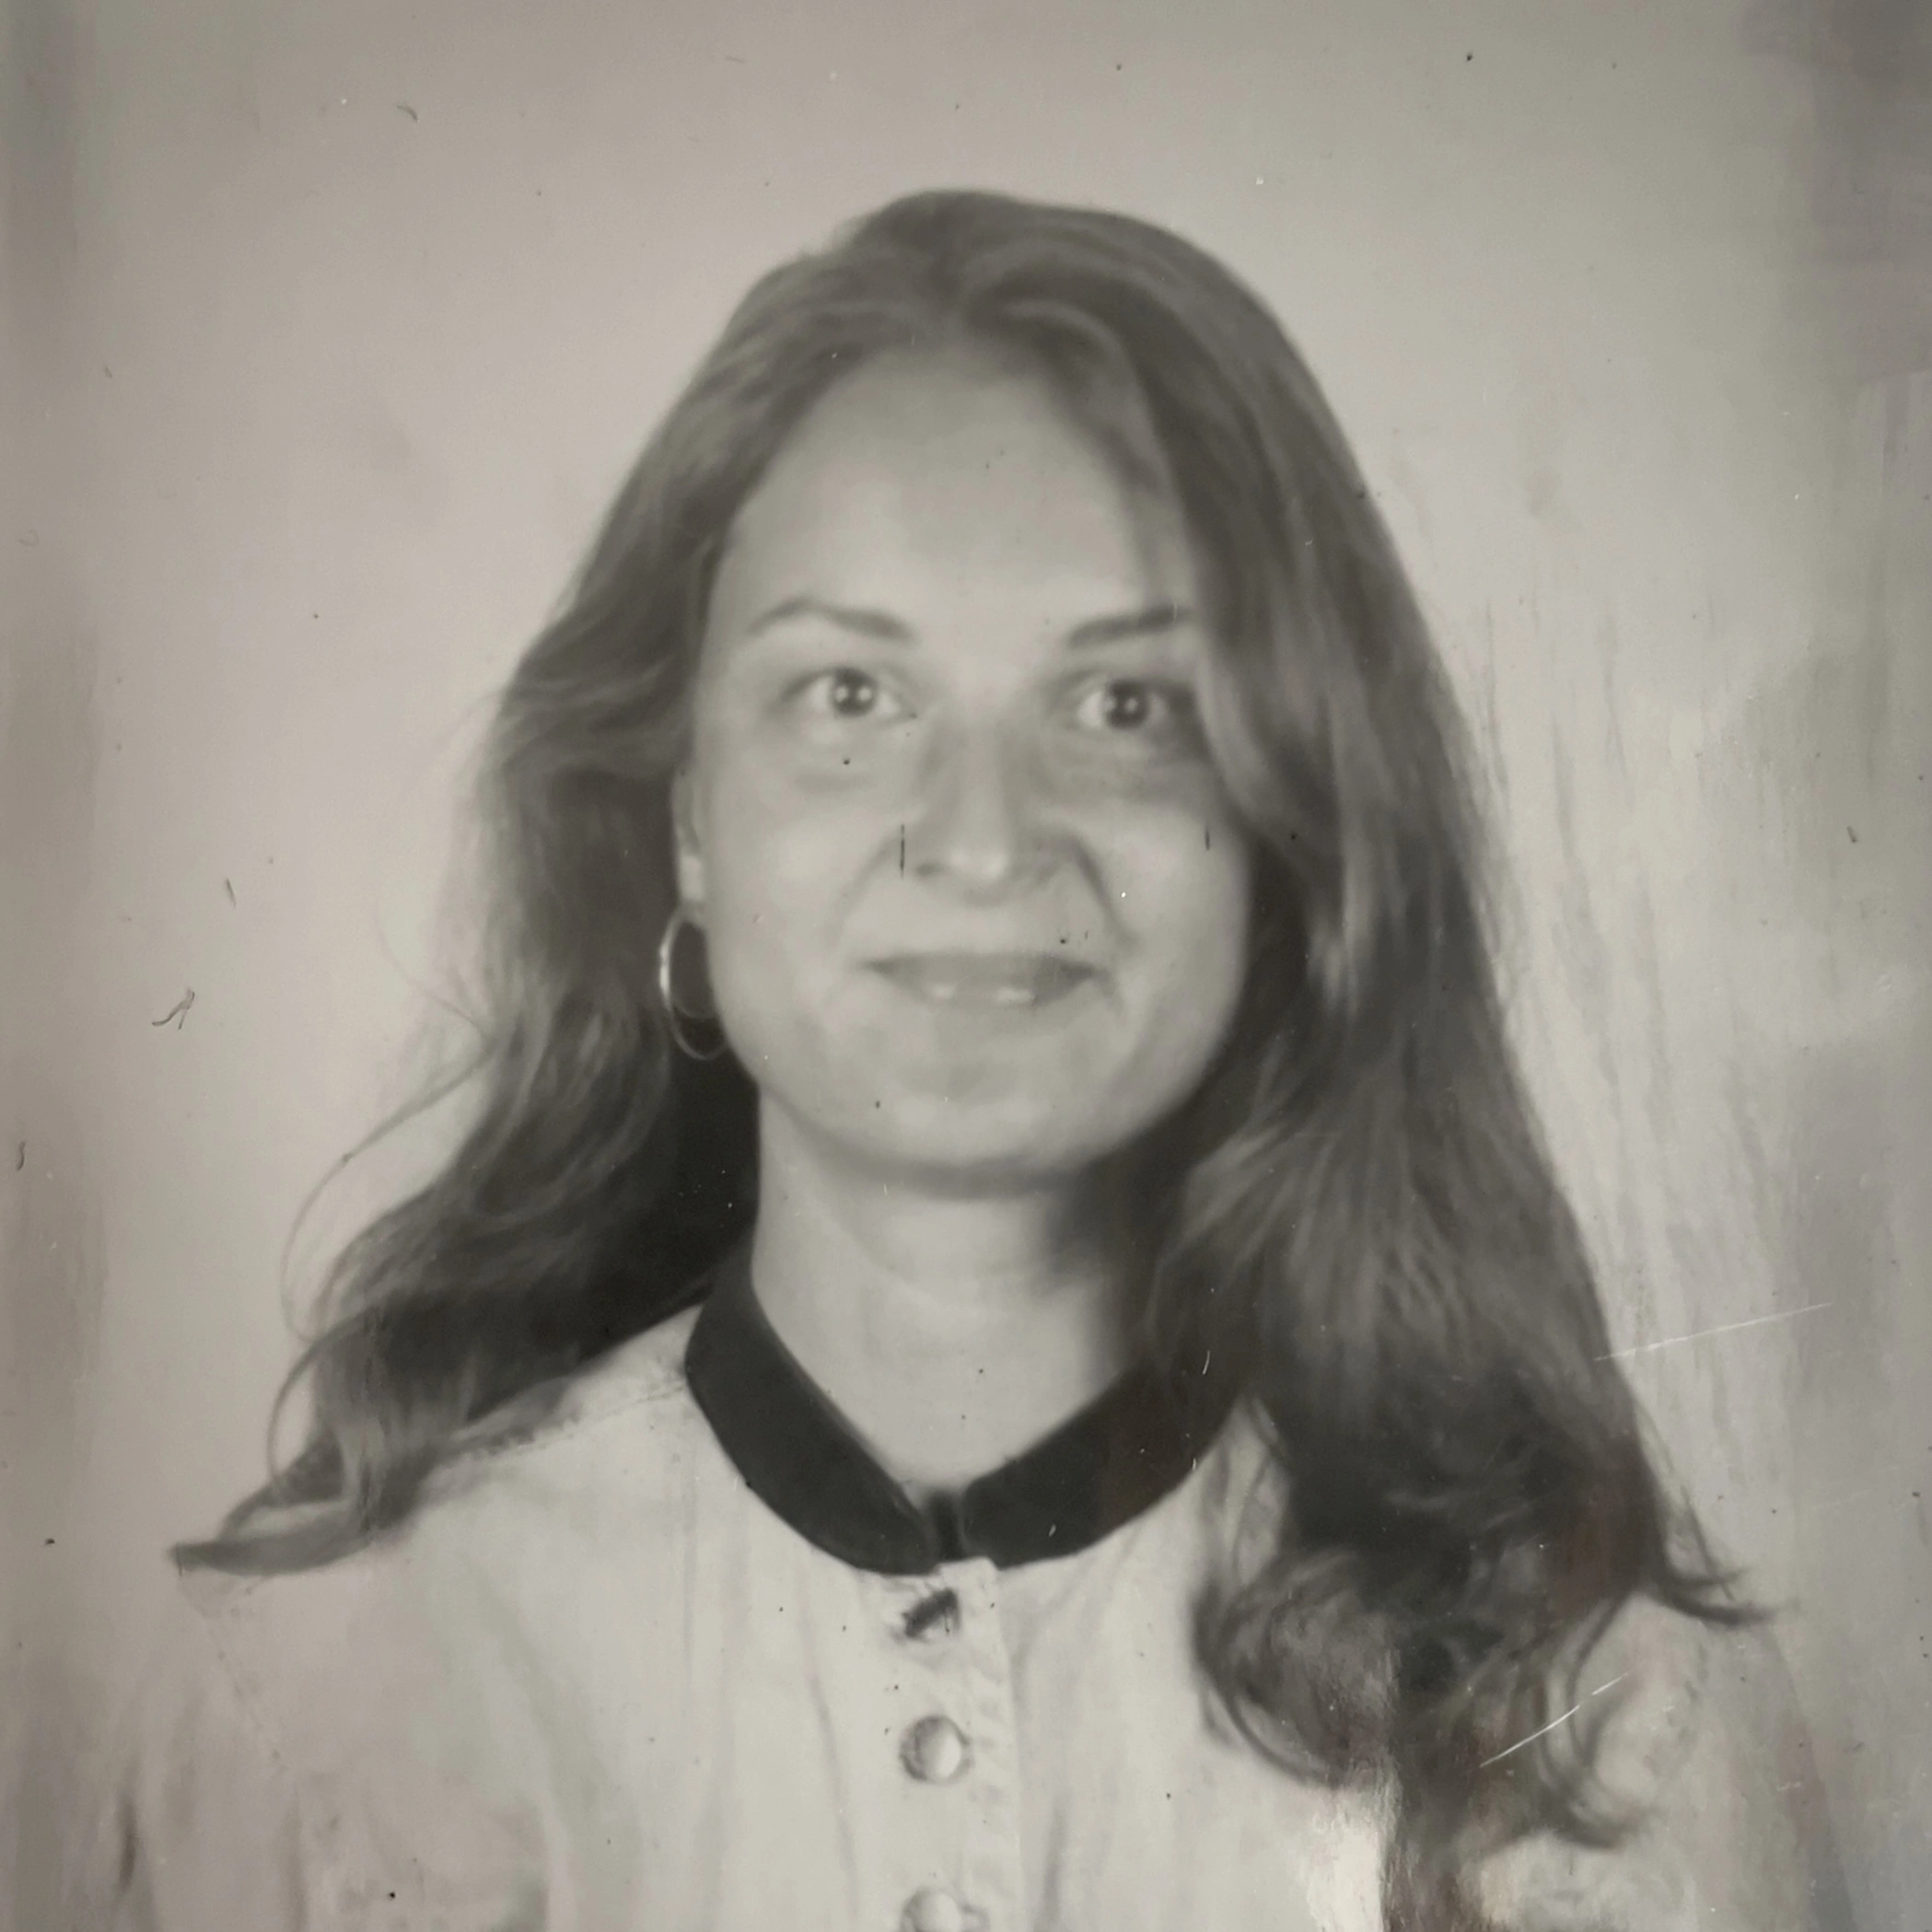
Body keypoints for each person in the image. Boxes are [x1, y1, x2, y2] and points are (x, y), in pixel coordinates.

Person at [68, 190, 1849, 1932]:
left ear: (1288, 824)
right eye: (849, 696)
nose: (982, 839)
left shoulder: (1603, 1740)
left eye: (1123, 706)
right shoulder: (309, 1718)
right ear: (686, 817)